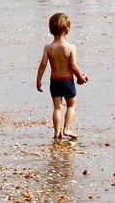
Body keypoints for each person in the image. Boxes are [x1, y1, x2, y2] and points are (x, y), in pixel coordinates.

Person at [35, 12, 89, 142]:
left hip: (54, 81)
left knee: (57, 107)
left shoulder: (48, 48)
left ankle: (57, 132)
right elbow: (73, 66)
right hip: (67, 81)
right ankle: (67, 128)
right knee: (71, 105)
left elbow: (43, 65)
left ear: (51, 30)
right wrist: (81, 77)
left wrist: (38, 80)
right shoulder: (70, 48)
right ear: (68, 29)